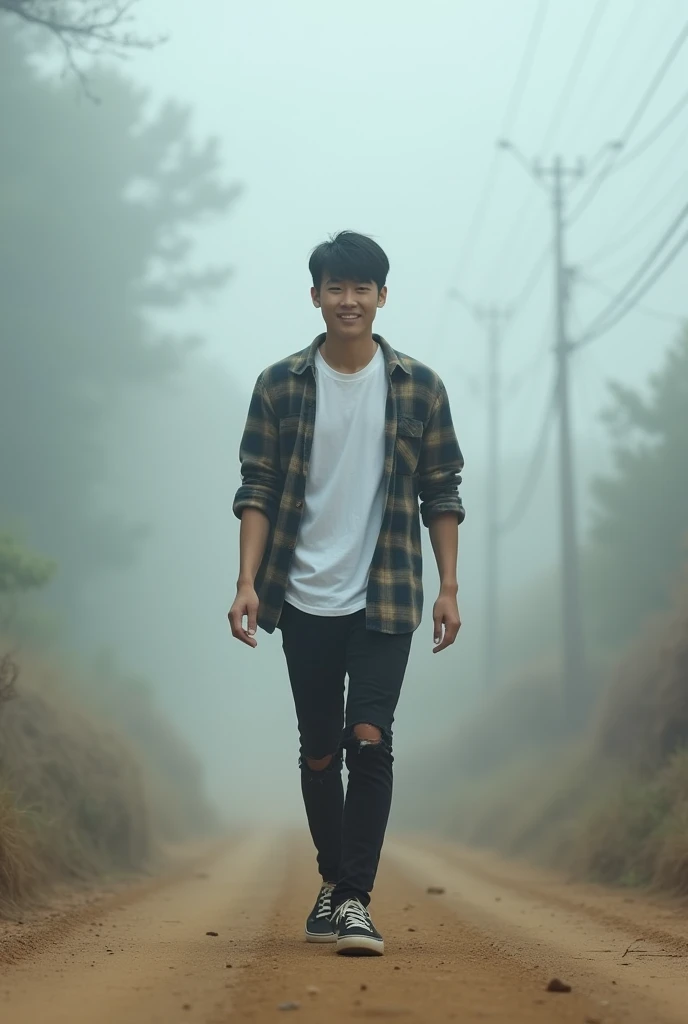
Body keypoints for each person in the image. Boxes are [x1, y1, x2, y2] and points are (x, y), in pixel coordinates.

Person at [228, 230, 465, 957]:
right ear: (317, 297)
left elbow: (442, 491)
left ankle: (355, 899)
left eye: (363, 288)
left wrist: (449, 585)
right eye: (337, 287)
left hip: (386, 594)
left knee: (369, 738)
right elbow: (257, 488)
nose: (349, 300)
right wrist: (246, 582)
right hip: (300, 597)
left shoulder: (419, 387)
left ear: (381, 296)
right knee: (320, 752)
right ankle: (333, 882)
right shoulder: (280, 385)